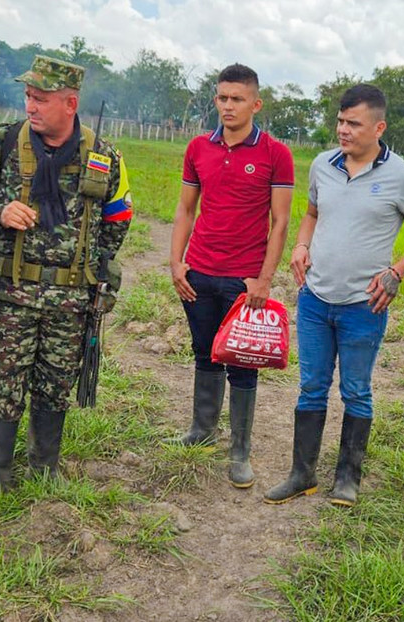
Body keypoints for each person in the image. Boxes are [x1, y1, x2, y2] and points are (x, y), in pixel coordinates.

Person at [0, 55, 132, 497]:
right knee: (3, 380)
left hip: (71, 300)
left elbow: (119, 211)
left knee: (55, 383)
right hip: (12, 292)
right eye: (28, 97)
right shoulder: (1, 143)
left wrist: (96, 268)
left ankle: (44, 466)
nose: (31, 106)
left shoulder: (103, 154)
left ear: (70, 103)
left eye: (41, 99)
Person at [263, 84, 404, 507]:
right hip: (315, 299)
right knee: (311, 387)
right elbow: (311, 214)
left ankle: (347, 477)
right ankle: (301, 473)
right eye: (340, 121)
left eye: (353, 123)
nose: (343, 130)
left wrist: (396, 272)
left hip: (364, 305)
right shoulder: (323, 165)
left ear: (378, 127)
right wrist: (302, 246)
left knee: (356, 390)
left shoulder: (403, 177)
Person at [168, 63, 292, 489]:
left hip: (244, 282)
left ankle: (240, 450)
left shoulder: (276, 154)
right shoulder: (198, 147)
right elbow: (185, 209)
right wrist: (176, 262)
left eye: (237, 99)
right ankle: (203, 429)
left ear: (256, 103)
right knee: (204, 354)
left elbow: (280, 223)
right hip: (198, 272)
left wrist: (263, 278)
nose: (228, 106)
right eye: (222, 97)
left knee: (242, 362)